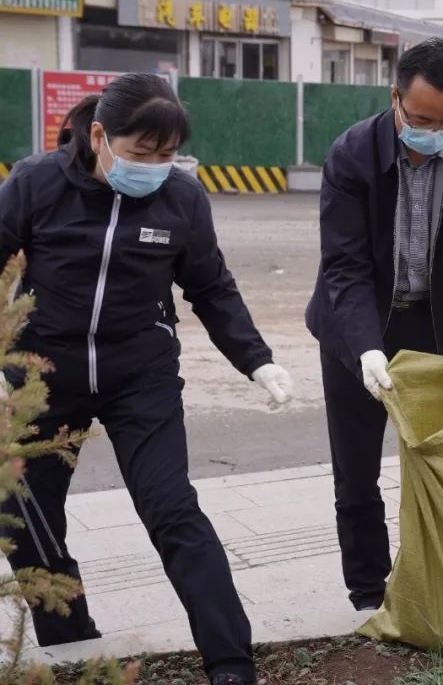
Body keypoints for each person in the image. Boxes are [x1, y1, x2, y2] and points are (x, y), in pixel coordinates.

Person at [0, 73, 294, 685]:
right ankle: (71, 639)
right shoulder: (35, 184)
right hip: (41, 377)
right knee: (23, 511)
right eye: (141, 154)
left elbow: (210, 286)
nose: (154, 168)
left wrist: (257, 360)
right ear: (101, 136)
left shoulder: (181, 198)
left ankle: (232, 663)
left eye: (166, 157)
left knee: (172, 509)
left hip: (141, 375)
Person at [305, 38, 443, 611]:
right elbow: (346, 264)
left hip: (431, 328)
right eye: (422, 120)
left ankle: (437, 581)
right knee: (357, 470)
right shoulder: (353, 154)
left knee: (441, 461)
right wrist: (364, 348)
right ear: (395, 99)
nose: (435, 132)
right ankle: (369, 594)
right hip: (357, 326)